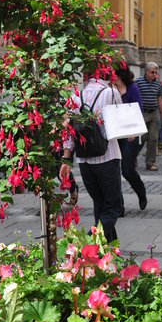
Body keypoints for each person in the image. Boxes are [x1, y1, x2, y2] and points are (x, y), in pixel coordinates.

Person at [62, 73, 123, 242]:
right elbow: (120, 120)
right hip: (108, 157)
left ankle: (109, 254)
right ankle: (85, 243)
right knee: (112, 208)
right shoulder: (111, 93)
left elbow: (69, 132)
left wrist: (66, 159)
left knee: (100, 206)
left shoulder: (75, 96)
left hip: (84, 161)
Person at [114, 64, 147, 211]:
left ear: (119, 76)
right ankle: (119, 207)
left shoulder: (132, 88)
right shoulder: (111, 90)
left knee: (127, 169)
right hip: (116, 134)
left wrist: (134, 132)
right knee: (114, 171)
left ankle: (141, 192)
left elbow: (138, 110)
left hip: (130, 135)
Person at [135, 62, 162, 172]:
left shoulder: (158, 84)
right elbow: (134, 96)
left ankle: (150, 162)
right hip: (143, 113)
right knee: (142, 138)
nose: (154, 74)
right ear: (146, 71)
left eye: (156, 72)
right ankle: (133, 157)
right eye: (152, 72)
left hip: (154, 113)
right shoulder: (138, 82)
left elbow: (159, 99)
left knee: (153, 139)